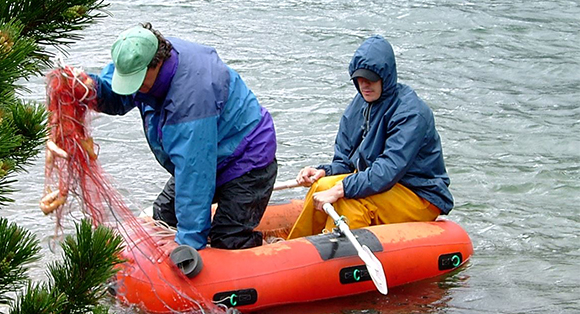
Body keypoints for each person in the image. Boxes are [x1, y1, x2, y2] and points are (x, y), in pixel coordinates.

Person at [89, 23, 277, 250]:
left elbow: (195, 171)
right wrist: (90, 90)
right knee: (162, 219)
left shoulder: (191, 98)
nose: (133, 88)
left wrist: (188, 244)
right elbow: (118, 95)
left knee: (227, 239)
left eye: (137, 80)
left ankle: (268, 256)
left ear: (155, 65)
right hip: (208, 153)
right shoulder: (137, 55)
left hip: (247, 159)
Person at [286, 35, 453, 239]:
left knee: (349, 204)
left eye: (371, 78)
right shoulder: (358, 106)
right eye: (359, 79)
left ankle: (330, 261)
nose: (365, 84)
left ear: (386, 76)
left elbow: (388, 169)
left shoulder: (411, 113)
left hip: (417, 192)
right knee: (321, 186)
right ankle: (294, 247)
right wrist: (324, 170)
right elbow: (346, 161)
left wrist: (343, 188)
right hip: (379, 182)